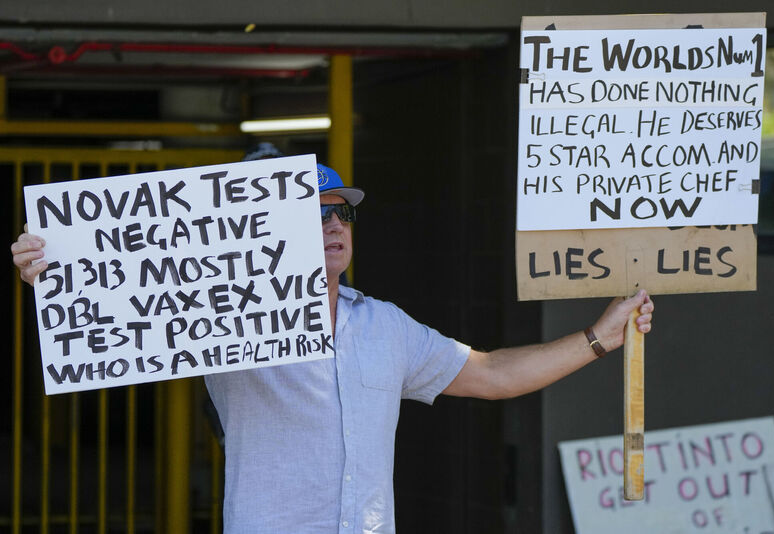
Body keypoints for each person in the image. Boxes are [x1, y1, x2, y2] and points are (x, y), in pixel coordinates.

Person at [11, 163, 654, 533]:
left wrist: (602, 335)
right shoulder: (230, 316)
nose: (334, 225)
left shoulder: (386, 326)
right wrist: (55, 267)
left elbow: (491, 373)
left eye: (342, 214)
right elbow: (129, 290)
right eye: (315, 214)